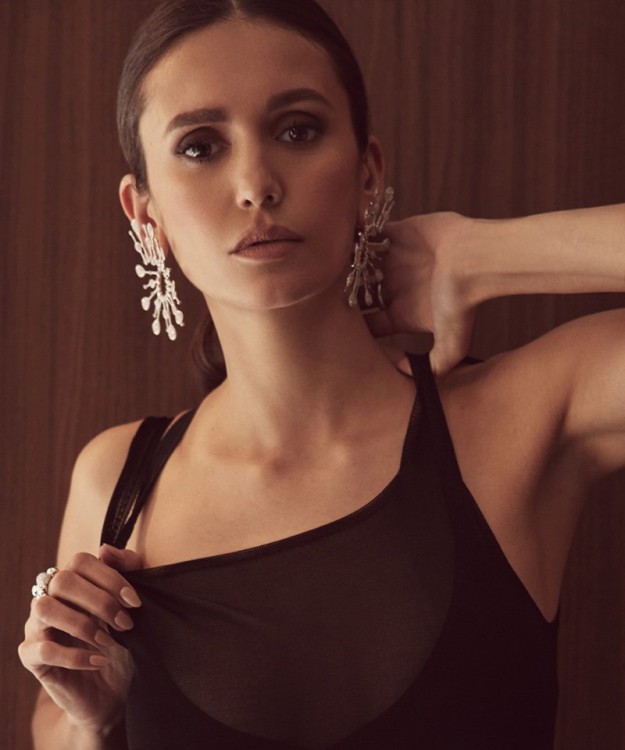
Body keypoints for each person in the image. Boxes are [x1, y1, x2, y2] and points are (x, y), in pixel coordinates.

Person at [17, 0, 625, 748]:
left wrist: (483, 254)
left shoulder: (522, 419)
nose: (256, 183)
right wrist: (93, 720)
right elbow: (55, 730)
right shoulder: (118, 483)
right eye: (201, 147)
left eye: (297, 131)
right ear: (144, 215)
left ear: (368, 172)